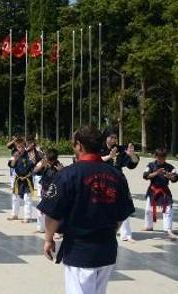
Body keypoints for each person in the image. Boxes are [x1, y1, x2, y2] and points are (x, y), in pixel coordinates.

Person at [38, 126, 135, 294]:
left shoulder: (68, 175)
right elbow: (121, 216)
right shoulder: (116, 175)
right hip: (107, 249)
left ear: (79, 145)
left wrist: (48, 239)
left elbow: (52, 213)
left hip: (79, 250)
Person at [101, 129, 139, 242]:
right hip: (103, 181)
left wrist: (132, 155)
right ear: (105, 137)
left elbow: (132, 163)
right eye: (111, 137)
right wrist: (109, 156)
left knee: (124, 206)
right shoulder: (99, 148)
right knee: (103, 207)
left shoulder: (121, 149)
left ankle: (126, 234)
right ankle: (103, 230)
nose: (113, 140)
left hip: (118, 181)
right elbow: (95, 160)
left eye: (115, 138)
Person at [143, 148, 178, 239]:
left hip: (164, 190)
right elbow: (146, 176)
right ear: (155, 156)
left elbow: (175, 179)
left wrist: (170, 176)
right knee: (148, 210)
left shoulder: (170, 167)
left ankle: (168, 229)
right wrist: (156, 172)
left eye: (164, 157)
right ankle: (149, 226)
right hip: (153, 189)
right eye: (160, 157)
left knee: (168, 210)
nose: (162, 159)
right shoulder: (150, 165)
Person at [34, 148, 63, 233]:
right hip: (44, 190)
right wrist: (40, 166)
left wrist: (61, 171)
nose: (49, 162)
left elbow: (64, 179)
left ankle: (56, 231)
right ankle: (41, 228)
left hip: (54, 192)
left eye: (51, 160)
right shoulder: (44, 163)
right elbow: (34, 171)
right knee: (40, 210)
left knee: (53, 212)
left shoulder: (58, 166)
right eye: (48, 159)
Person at [8, 137, 35, 223]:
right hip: (18, 179)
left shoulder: (29, 155)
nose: (21, 149)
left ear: (25, 146)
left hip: (27, 179)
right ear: (16, 147)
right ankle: (14, 214)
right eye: (19, 147)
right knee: (15, 198)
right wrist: (15, 159)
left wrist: (31, 173)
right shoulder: (15, 155)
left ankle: (27, 216)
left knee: (27, 198)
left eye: (22, 147)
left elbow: (33, 166)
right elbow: (11, 165)